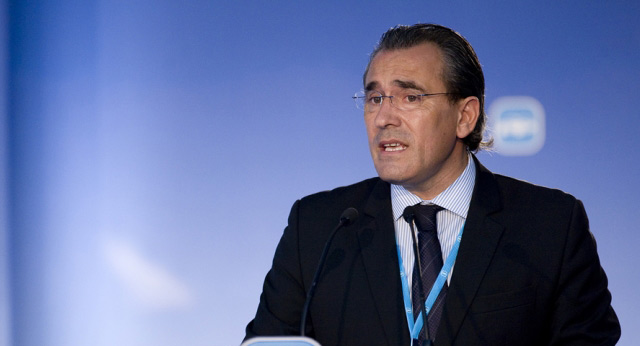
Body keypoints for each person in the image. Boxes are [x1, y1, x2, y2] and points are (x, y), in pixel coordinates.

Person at [244, 23, 620, 345]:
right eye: (374, 97)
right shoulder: (317, 228)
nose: (383, 117)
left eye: (410, 96)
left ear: (465, 116)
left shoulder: (551, 225)